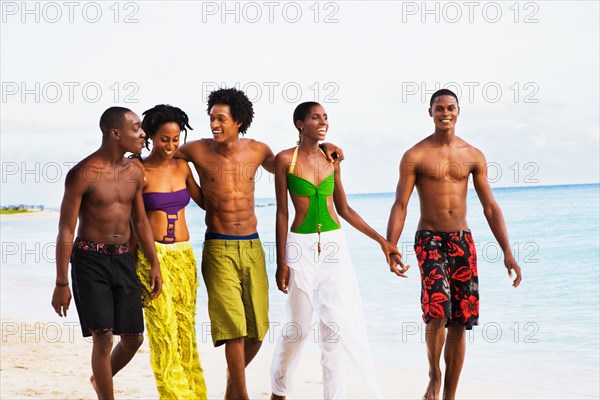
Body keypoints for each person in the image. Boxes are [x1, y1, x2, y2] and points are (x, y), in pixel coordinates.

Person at [176, 88, 343, 400]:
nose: (214, 124)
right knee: (234, 330)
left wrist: (323, 148)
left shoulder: (258, 150)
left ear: (238, 121)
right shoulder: (195, 151)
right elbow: (163, 156)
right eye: (211, 118)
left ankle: (230, 390)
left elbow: (291, 164)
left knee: (258, 330)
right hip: (218, 246)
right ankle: (242, 394)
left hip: (252, 246)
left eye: (221, 119)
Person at [386, 89, 523, 400]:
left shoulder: (472, 155)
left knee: (461, 319)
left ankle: (449, 395)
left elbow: (490, 207)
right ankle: (434, 376)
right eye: (439, 108)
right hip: (429, 237)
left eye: (450, 108)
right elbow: (401, 205)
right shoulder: (415, 155)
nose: (444, 113)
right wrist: (390, 244)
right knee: (437, 310)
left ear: (458, 112)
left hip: (462, 240)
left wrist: (507, 252)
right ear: (430, 112)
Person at [270, 102, 407, 400]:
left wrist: (382, 241)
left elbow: (343, 208)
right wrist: (281, 262)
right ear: (299, 123)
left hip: (335, 248)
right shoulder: (284, 160)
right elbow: (282, 213)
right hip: (300, 248)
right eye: (315, 117)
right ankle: (279, 389)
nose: (323, 122)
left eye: (325, 117)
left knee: (334, 330)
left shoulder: (331, 160)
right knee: (299, 328)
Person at [51, 106, 163, 400]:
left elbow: (140, 221)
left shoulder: (135, 172)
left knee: (133, 338)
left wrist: (154, 264)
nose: (143, 134)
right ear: (115, 134)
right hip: (90, 259)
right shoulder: (83, 173)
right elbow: (66, 229)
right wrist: (61, 282)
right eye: (136, 128)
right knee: (102, 336)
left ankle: (98, 380)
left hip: (124, 257)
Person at [132, 104, 207, 399]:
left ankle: (196, 394)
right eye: (165, 139)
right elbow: (134, 221)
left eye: (176, 140)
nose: (171, 146)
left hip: (184, 256)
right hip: (153, 259)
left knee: (186, 333)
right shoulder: (138, 169)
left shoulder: (182, 166)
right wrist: (145, 264)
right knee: (164, 333)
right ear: (150, 135)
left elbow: (206, 202)